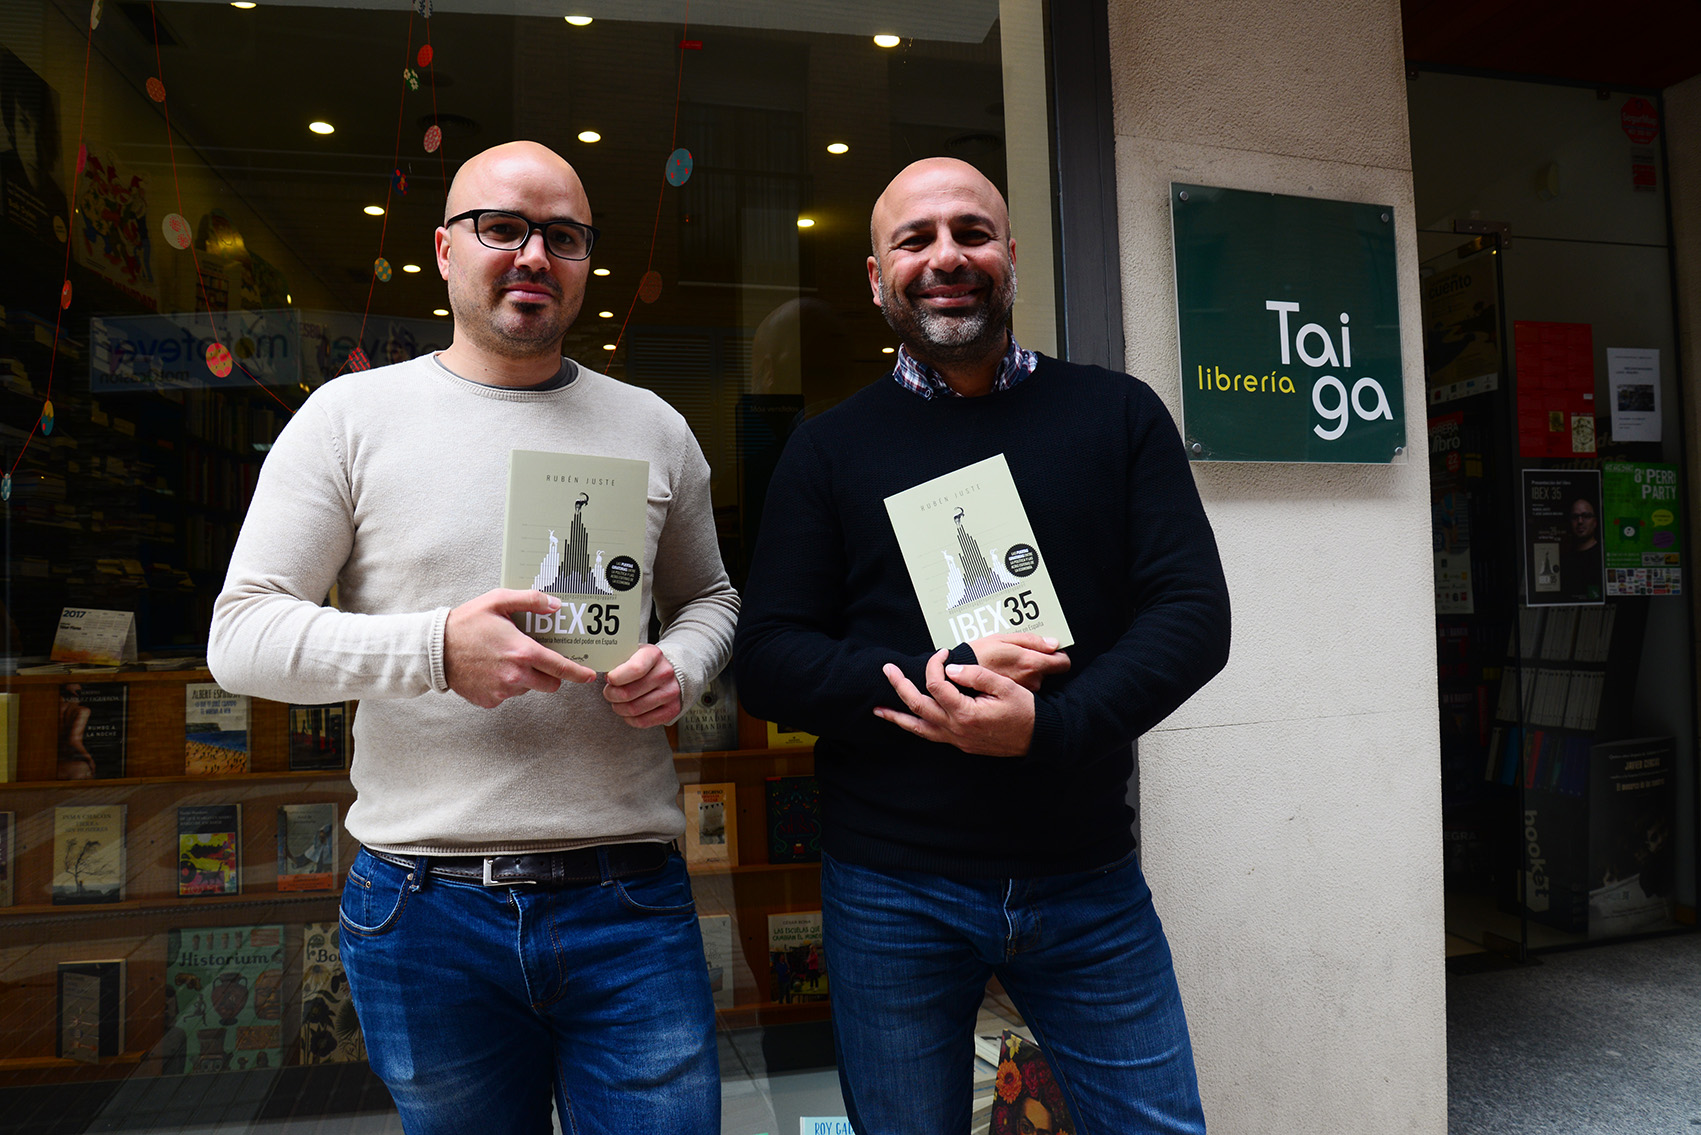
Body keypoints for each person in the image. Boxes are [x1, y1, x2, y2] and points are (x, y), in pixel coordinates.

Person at [209, 140, 737, 1135]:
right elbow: (241, 636)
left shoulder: (654, 427)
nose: (534, 253)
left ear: (587, 265)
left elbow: (712, 596)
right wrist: (434, 651)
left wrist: (686, 663)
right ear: (445, 249)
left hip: (628, 902)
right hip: (422, 910)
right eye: (503, 227)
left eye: (564, 236)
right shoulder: (350, 418)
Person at [734, 157, 1231, 1133]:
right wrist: (941, 678)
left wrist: (1051, 726)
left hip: (1086, 878)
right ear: (876, 279)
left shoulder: (1119, 416)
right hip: (889, 891)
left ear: (1010, 256)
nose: (945, 257)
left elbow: (1192, 615)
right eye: (914, 240)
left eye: (971, 232)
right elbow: (770, 657)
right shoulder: (828, 450)